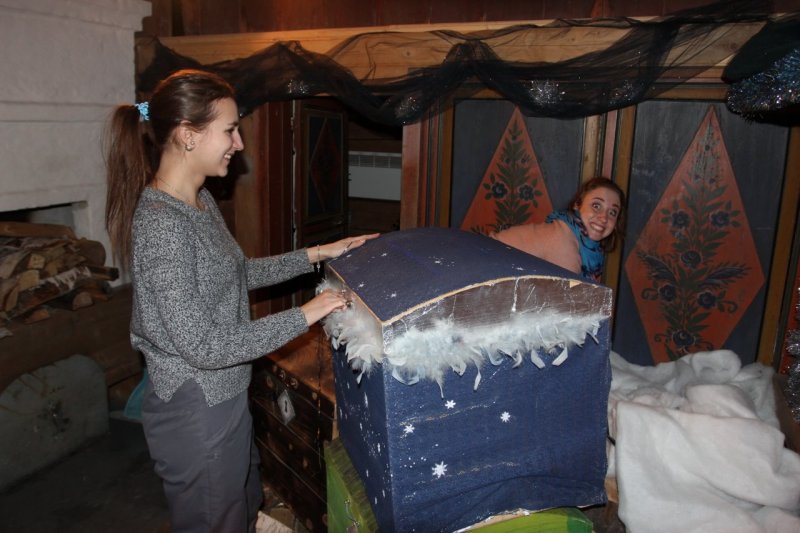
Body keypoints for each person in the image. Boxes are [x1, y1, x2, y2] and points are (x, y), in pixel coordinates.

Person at [104, 69, 378, 532]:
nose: (240, 143)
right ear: (188, 135)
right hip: (196, 408)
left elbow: (236, 274)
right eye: (230, 130)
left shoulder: (199, 201)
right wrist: (308, 312)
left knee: (244, 500)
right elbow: (204, 346)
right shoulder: (162, 224)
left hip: (225, 396)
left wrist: (319, 253)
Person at [491, 177, 625, 282]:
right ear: (577, 205)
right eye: (596, 206)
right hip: (487, 268)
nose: (604, 217)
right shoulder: (564, 241)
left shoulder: (583, 246)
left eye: (612, 212)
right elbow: (564, 302)